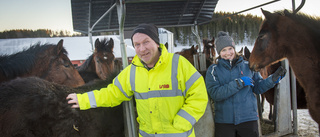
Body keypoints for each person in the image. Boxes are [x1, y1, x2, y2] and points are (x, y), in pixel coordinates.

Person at [67, 23, 208, 137]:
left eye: (146, 42)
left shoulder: (178, 64)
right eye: (137, 44)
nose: (142, 49)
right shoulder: (131, 71)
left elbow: (199, 95)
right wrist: (83, 100)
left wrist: (183, 121)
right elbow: (111, 93)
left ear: (157, 42)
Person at [205, 31, 286, 137]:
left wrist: (272, 80)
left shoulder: (247, 66)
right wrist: (239, 83)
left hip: (248, 120)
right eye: (223, 50)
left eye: (230, 48)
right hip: (225, 122)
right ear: (219, 52)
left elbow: (257, 87)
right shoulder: (213, 70)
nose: (228, 53)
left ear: (234, 48)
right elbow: (215, 94)